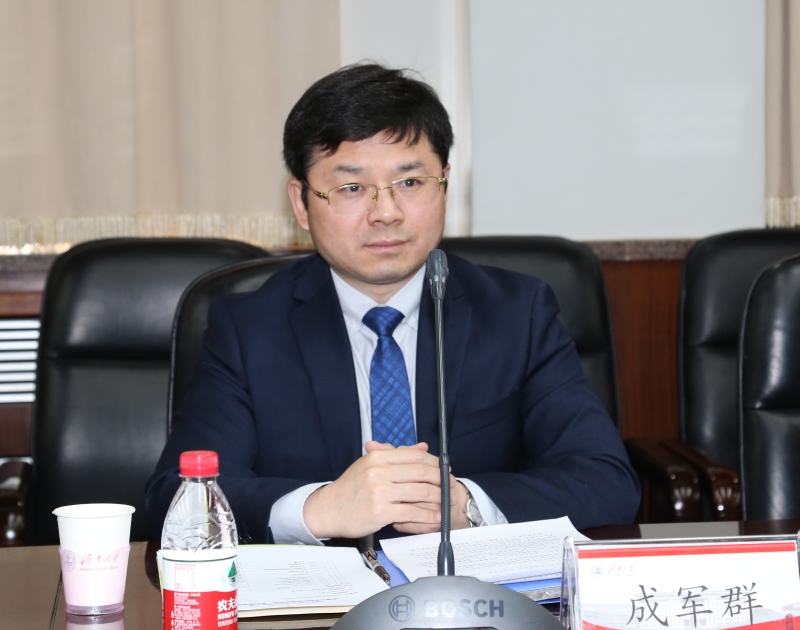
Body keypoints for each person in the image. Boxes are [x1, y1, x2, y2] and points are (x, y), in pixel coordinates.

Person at [145, 64, 639, 545]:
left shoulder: (517, 313)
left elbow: (605, 478)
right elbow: (177, 496)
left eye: (410, 183)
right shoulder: (249, 328)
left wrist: (467, 505)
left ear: (444, 185)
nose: (386, 213)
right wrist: (319, 508)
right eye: (352, 188)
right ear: (301, 203)